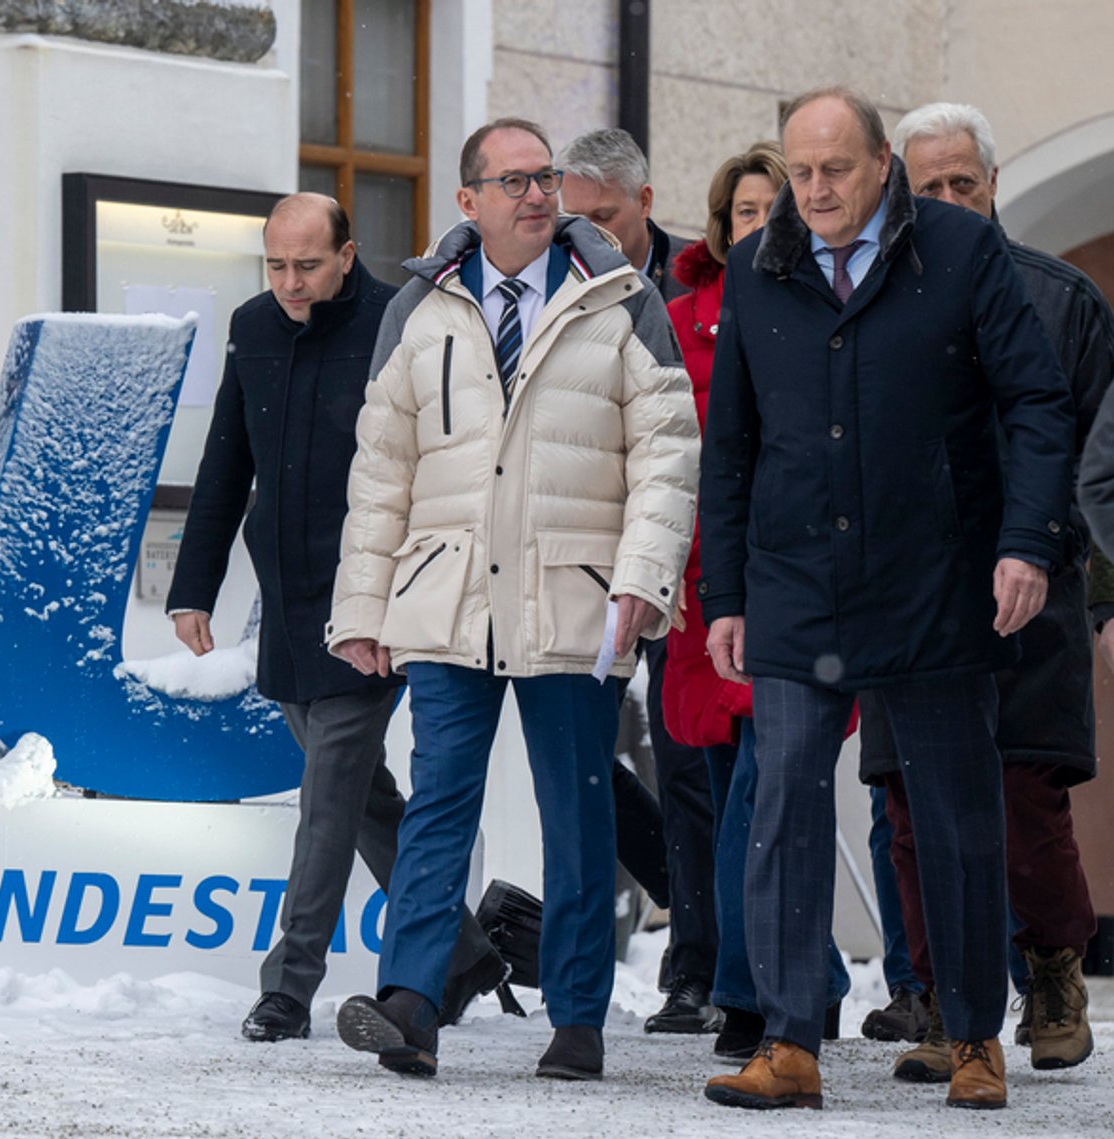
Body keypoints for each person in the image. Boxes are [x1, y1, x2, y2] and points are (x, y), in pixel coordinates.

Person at [698, 87, 1074, 1112]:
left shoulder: (956, 250)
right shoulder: (755, 265)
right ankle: (786, 1040)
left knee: (953, 815)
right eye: (800, 170)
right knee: (777, 806)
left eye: (834, 169)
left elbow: (1034, 401)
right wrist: (722, 590)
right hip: (791, 583)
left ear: (879, 168)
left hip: (934, 578)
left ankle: (970, 1037)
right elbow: (727, 443)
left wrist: (1022, 542)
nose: (814, 190)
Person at [326, 117, 696, 1082]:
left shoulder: (622, 298)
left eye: (548, 179)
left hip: (574, 600)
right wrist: (362, 607)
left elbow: (666, 455)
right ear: (469, 201)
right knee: (439, 799)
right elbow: (382, 470)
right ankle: (410, 998)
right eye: (517, 181)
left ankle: (576, 1014)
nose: (539, 195)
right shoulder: (419, 308)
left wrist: (644, 577)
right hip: (447, 600)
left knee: (576, 809)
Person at [166, 193, 504, 1044]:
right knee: (356, 796)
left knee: (327, 795)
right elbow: (225, 460)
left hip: (372, 599)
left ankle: (289, 984)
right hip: (284, 596)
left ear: (347, 256)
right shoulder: (251, 325)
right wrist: (193, 586)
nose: (289, 282)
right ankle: (463, 952)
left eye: (307, 265)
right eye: (275, 265)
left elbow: (434, 463)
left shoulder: (401, 320)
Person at [859, 101, 1107, 1081]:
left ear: (992, 186)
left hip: (1027, 592)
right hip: (901, 594)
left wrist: (1073, 577)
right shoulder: (863, 299)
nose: (950, 198)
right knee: (911, 811)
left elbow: (1098, 457)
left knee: (1021, 803)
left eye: (964, 182)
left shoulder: (1059, 300)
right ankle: (943, 1005)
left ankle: (1051, 966)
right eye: (930, 186)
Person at [660, 141, 858, 1060]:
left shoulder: (825, 306)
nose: (759, 223)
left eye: (770, 207)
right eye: (743, 211)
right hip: (708, 584)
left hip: (804, 582)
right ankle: (810, 977)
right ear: (721, 222)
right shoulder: (680, 316)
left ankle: (751, 992)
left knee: (764, 792)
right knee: (733, 788)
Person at [562, 126, 722, 1035]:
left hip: (680, 566)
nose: (586, 232)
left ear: (647, 203)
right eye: (573, 215)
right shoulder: (553, 286)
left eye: (605, 217)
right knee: (577, 754)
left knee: (693, 763)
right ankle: (695, 905)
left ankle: (697, 962)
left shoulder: (695, 290)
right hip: (581, 559)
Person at [559, 127, 692, 302]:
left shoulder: (703, 273)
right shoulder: (548, 275)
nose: (586, 233)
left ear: (644, 201)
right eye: (573, 219)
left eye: (603, 216)